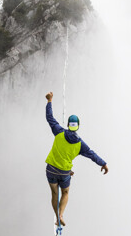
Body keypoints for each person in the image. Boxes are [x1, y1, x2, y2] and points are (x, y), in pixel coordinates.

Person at [44, 91, 108, 226]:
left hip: (51, 169)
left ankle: (56, 216)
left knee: (54, 193)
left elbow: (50, 118)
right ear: (78, 126)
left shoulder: (58, 132)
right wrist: (103, 164)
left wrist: (49, 101)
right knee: (65, 193)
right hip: (64, 172)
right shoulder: (80, 144)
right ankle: (61, 215)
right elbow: (91, 154)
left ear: (68, 124)